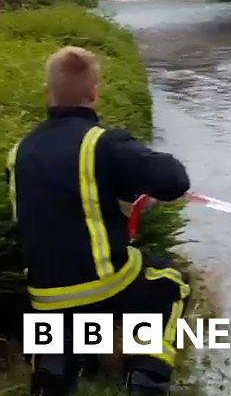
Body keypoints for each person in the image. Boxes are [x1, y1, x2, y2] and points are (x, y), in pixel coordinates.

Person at [5, 47, 192, 395]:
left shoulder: (20, 151)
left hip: (45, 293)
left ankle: (56, 366)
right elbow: (174, 181)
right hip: (104, 284)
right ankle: (146, 378)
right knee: (171, 282)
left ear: (49, 91)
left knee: (65, 313)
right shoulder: (102, 143)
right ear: (94, 92)